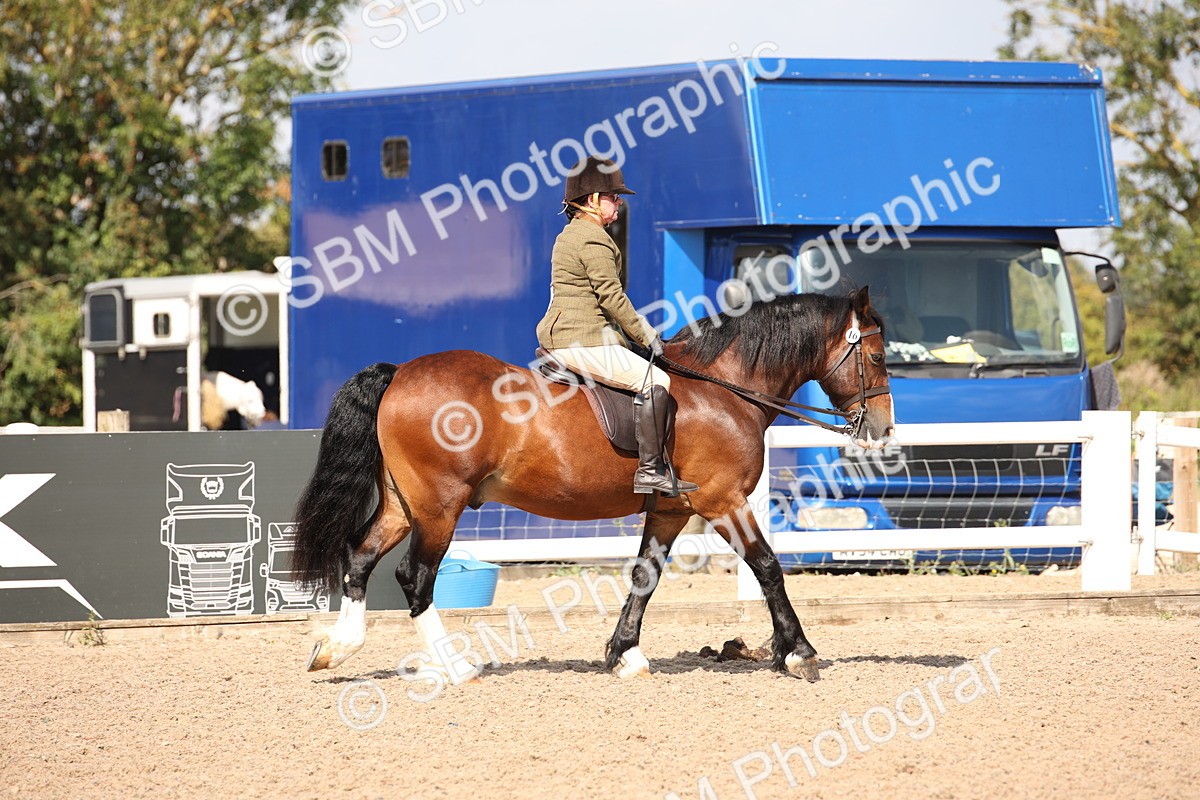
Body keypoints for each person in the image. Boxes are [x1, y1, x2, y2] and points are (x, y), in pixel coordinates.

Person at [535, 156, 699, 496]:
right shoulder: (593, 237)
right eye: (613, 196)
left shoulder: (571, 234)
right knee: (656, 378)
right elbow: (611, 298)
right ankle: (650, 470)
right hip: (580, 339)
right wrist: (647, 335)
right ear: (593, 200)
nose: (619, 203)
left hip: (569, 333)